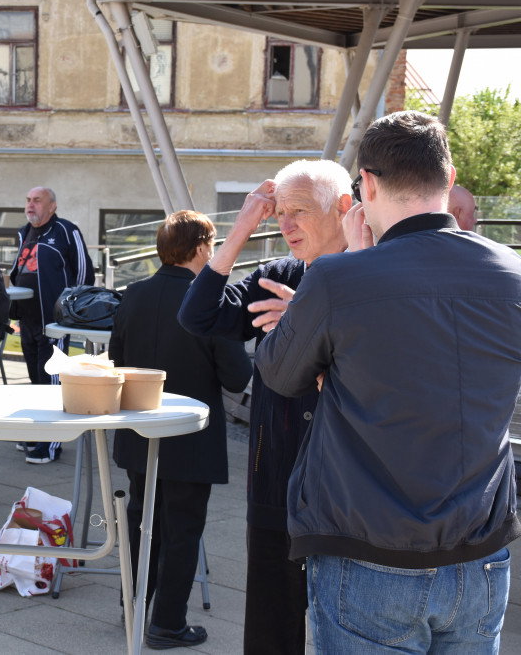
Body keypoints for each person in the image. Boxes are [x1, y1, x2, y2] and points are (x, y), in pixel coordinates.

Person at [256, 110, 521, 653]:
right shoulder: (512, 273)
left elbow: (279, 373)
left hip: (367, 556)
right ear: (448, 179)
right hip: (480, 554)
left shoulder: (337, 278)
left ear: (368, 184)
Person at [179, 159, 351, 655]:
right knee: (270, 630)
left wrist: (305, 321)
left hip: (349, 491)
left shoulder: (371, 280)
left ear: (344, 208)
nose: (287, 224)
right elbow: (197, 316)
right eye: (280, 213)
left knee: (350, 631)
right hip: (278, 480)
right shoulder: (277, 275)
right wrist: (240, 230)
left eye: (301, 211)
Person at [110, 210, 252, 650]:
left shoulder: (133, 294)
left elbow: (117, 360)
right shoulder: (210, 299)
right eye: (212, 242)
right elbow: (236, 376)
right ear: (201, 247)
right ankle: (167, 624)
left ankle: (132, 608)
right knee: (182, 530)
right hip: (190, 435)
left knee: (141, 521)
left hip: (139, 428)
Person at [8, 186, 94, 464]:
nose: (30, 205)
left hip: (53, 322)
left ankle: (52, 444)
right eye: (28, 200)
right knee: (36, 381)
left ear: (52, 206)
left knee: (52, 383)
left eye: (37, 200)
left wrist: (70, 310)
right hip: (28, 320)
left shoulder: (67, 231)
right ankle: (38, 433)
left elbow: (84, 273)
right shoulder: (24, 232)